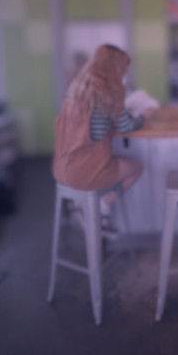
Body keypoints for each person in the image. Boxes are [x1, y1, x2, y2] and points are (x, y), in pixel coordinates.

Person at [53, 44, 145, 236]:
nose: (125, 73)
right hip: (85, 171)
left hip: (62, 168)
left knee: (113, 162)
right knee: (137, 166)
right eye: (124, 69)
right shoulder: (108, 93)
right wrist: (143, 117)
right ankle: (102, 206)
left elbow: (92, 127)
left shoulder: (76, 88)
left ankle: (85, 208)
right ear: (116, 68)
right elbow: (126, 127)